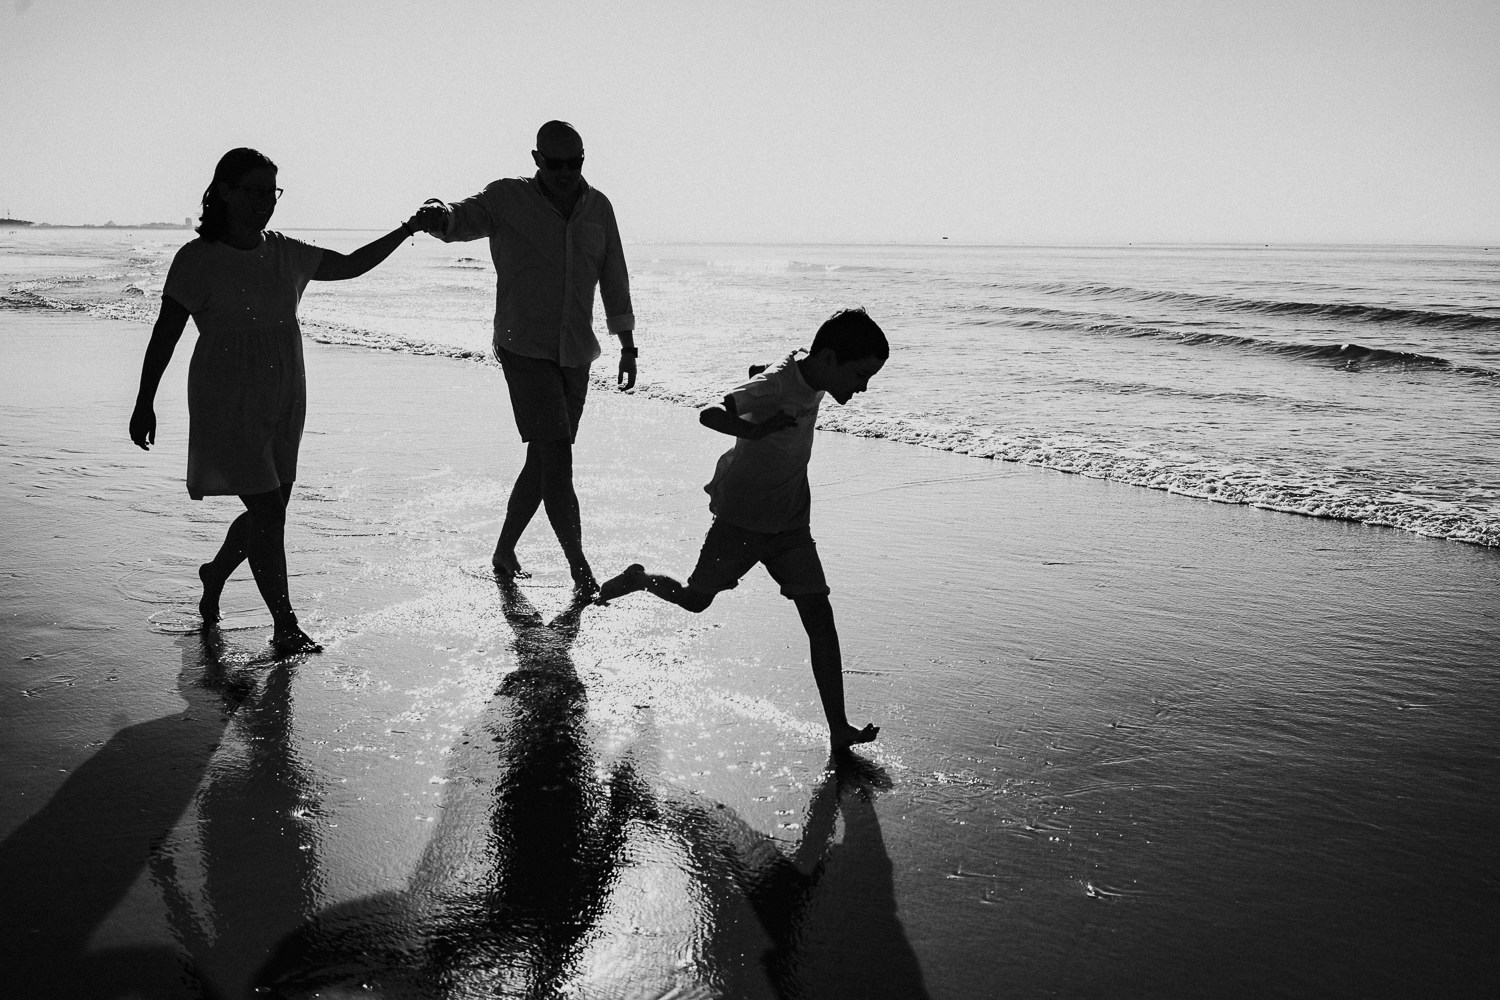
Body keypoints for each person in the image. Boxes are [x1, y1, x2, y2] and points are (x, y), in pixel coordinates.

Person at [130, 147, 442, 655]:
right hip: (225, 396)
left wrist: (407, 228)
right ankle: (285, 624)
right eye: (252, 191)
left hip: (283, 395)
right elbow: (165, 333)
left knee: (269, 509)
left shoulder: (285, 252)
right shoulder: (197, 260)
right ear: (224, 192)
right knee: (269, 510)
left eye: (270, 193)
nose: (264, 203)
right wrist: (145, 401)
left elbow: (350, 265)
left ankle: (215, 573)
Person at [598, 308, 888, 752]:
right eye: (861, 375)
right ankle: (640, 580)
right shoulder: (776, 383)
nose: (863, 387)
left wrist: (757, 374)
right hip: (741, 522)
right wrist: (753, 430)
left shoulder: (812, 374)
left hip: (790, 524)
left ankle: (838, 729)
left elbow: (783, 372)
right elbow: (710, 413)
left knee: (820, 621)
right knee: (695, 600)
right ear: (830, 359)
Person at [417, 120, 636, 597]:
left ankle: (503, 551)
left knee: (544, 459)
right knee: (557, 459)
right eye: (554, 164)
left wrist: (627, 342)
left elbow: (614, 274)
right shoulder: (507, 198)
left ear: (583, 159)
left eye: (574, 164)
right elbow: (462, 215)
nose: (565, 173)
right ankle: (582, 570)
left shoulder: (599, 208)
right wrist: (438, 212)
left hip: (576, 351)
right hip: (524, 347)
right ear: (536, 159)